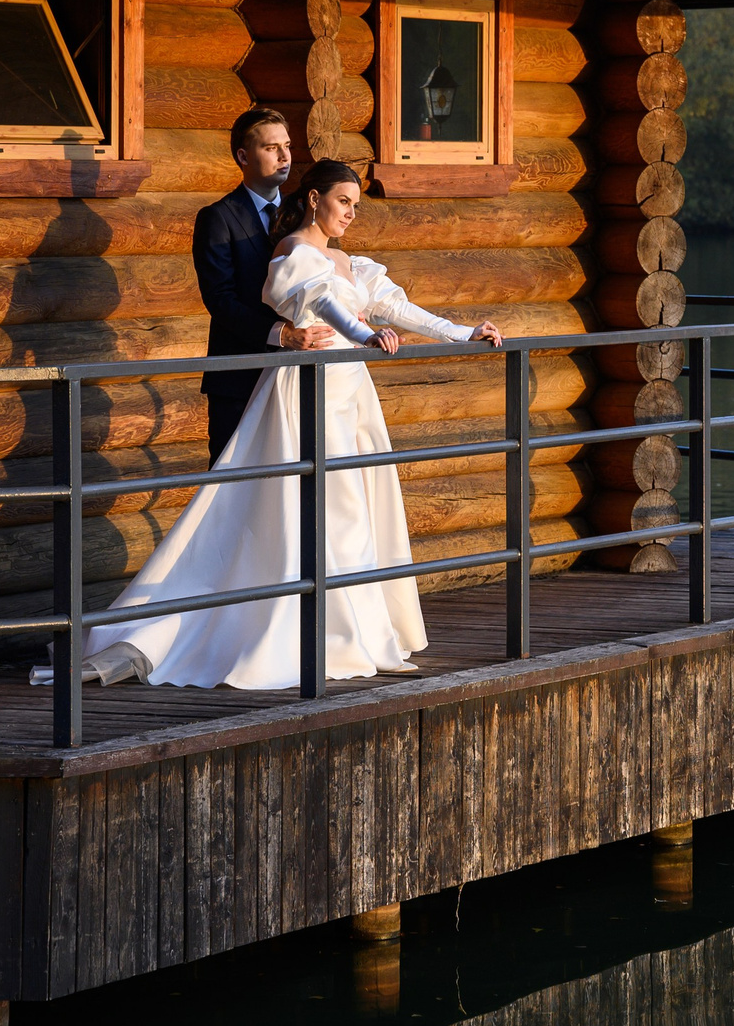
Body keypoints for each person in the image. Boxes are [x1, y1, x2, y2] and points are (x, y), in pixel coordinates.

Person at [52, 160, 504, 690]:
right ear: (314, 199)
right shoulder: (294, 253)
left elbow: (398, 307)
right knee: (311, 502)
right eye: (343, 202)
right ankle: (297, 628)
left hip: (350, 394)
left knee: (356, 501)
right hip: (307, 387)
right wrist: (360, 334)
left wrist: (461, 332)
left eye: (356, 205)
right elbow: (325, 305)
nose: (351, 214)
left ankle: (350, 627)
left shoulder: (349, 260)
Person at [193, 107, 336, 462]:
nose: (285, 156)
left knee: (293, 482)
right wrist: (280, 334)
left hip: (300, 378)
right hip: (241, 377)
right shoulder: (217, 218)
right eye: (272, 148)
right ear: (243, 156)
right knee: (231, 484)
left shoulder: (305, 215)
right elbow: (220, 299)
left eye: (287, 146)